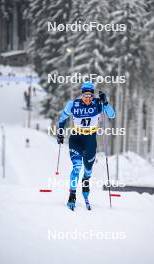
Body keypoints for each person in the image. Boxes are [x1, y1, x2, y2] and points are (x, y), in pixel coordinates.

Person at [57, 81, 115, 210]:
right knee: (77, 167)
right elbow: (62, 119)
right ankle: (72, 195)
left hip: (90, 140)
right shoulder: (73, 104)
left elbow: (112, 115)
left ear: (93, 96)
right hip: (76, 139)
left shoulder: (98, 104)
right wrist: (60, 133)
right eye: (85, 96)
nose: (87, 98)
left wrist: (105, 103)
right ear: (81, 95)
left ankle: (86, 181)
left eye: (90, 96)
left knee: (88, 170)